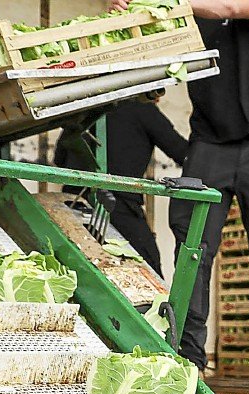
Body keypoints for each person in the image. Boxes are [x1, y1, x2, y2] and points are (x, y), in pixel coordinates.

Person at [111, 0, 249, 393]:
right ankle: (191, 357)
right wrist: (134, 14)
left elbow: (227, 6)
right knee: (192, 253)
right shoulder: (188, 21)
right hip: (208, 146)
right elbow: (155, 50)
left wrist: (165, 2)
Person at [53, 97, 189, 276]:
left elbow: (59, 159)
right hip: (120, 207)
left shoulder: (85, 109)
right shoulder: (143, 111)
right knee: (150, 273)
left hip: (73, 205)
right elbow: (183, 153)